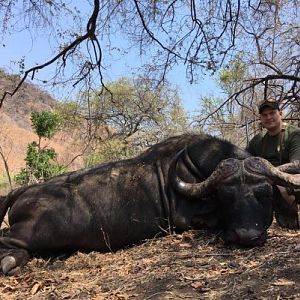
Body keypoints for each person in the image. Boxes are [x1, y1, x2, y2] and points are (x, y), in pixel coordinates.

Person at [247, 98, 300, 229]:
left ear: (280, 114)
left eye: (272, 113)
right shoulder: (258, 140)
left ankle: (294, 210)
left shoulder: (294, 134)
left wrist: (272, 175)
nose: (268, 117)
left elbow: (297, 164)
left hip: (291, 180)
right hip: (267, 182)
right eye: (264, 115)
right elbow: (245, 161)